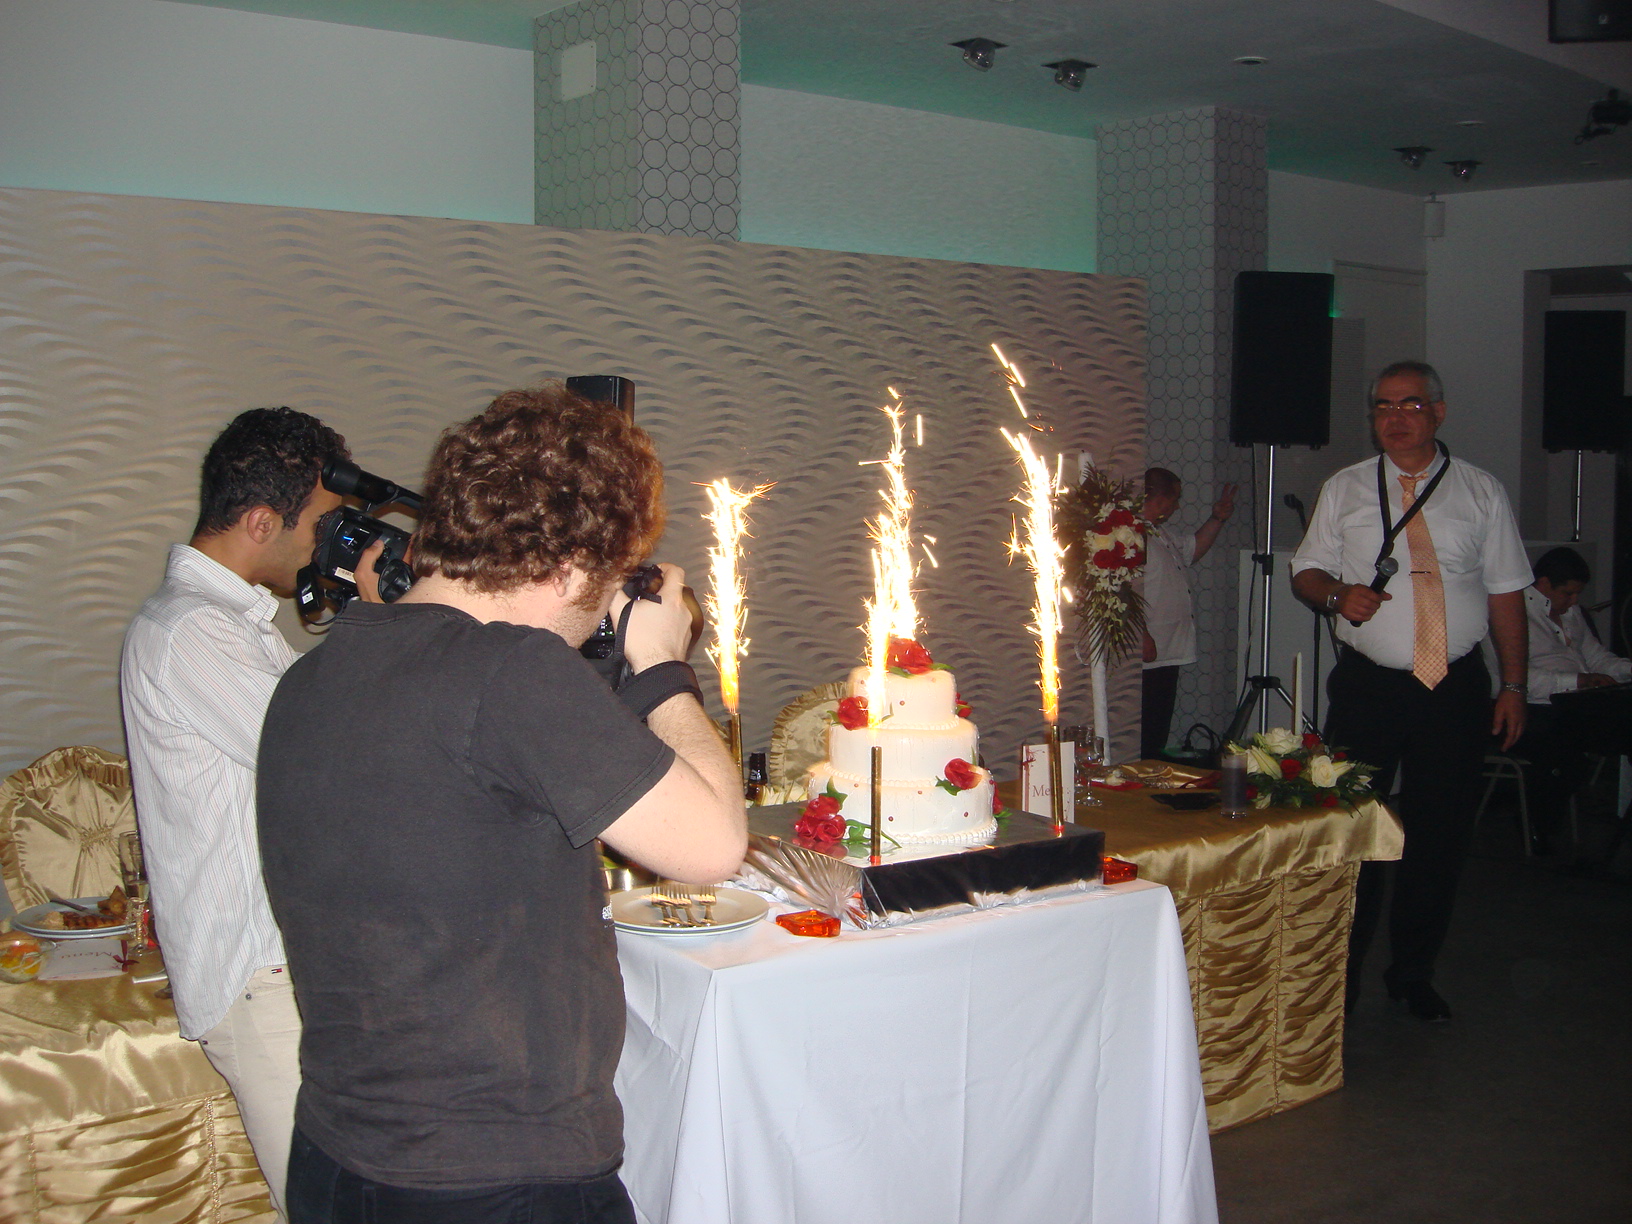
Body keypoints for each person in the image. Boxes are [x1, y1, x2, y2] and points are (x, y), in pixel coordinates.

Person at [256, 386, 747, 1224]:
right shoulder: (513, 672)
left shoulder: (310, 678)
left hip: (337, 1162)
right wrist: (664, 666)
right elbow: (713, 846)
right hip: (495, 1180)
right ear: (568, 568)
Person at [121, 406, 371, 1219]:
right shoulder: (192, 631)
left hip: (287, 972)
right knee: (332, 1206)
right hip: (262, 976)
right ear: (262, 522)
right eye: (319, 525)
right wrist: (375, 620)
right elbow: (328, 763)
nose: (325, 546)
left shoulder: (228, 623)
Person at [1290, 360, 1531, 1023]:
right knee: (1354, 829)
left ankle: (1413, 972)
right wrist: (1337, 594)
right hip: (1369, 688)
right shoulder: (1345, 487)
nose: (1395, 418)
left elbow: (1506, 594)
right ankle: (1341, 979)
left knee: (1439, 835)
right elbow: (1306, 570)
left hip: (1453, 689)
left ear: (1438, 413)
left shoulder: (1480, 491)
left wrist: (1514, 683)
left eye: (1411, 405)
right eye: (1384, 407)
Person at [1510, 546, 1631, 853]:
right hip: (1533, 707)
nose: (1574, 601)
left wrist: (1626, 671)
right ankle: (1542, 828)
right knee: (1564, 748)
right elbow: (1513, 679)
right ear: (1543, 584)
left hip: (1575, 705)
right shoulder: (1512, 613)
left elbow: (1597, 658)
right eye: (1568, 593)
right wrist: (1578, 680)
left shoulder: (1571, 613)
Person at [1139, 468, 1236, 760]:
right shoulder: (1130, 534)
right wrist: (1141, 634)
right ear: (1159, 498)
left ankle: (1152, 771)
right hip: (1150, 653)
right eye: (1174, 499)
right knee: (1146, 732)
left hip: (1169, 649)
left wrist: (1217, 519)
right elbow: (1121, 588)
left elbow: (1191, 550)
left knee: (1158, 730)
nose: (1177, 506)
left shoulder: (1159, 534)